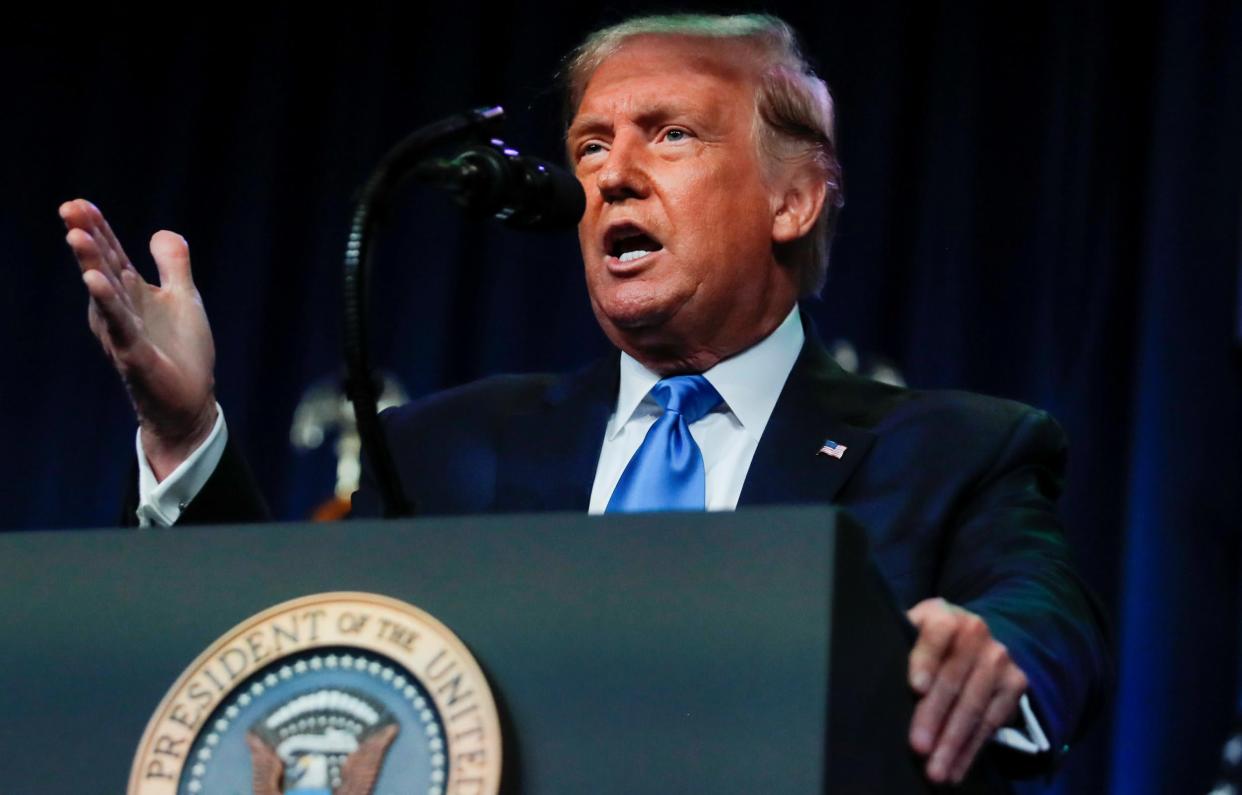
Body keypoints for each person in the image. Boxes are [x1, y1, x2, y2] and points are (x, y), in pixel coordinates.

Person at [61, 13, 1108, 787]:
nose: (611, 176)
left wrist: (994, 650)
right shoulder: (443, 451)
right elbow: (280, 663)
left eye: (670, 136)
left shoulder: (959, 449)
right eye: (591, 146)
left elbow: (1042, 622)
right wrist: (184, 431)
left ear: (794, 198)